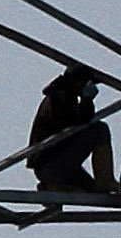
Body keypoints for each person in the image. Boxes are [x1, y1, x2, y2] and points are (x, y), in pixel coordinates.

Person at [30, 64, 115, 196]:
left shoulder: (65, 96)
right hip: (52, 165)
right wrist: (86, 100)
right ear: (78, 81)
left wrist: (86, 101)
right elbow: (76, 121)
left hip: (53, 165)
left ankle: (54, 187)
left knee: (94, 191)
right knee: (100, 129)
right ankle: (105, 180)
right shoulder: (59, 96)